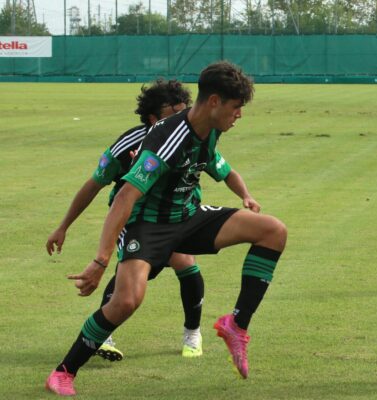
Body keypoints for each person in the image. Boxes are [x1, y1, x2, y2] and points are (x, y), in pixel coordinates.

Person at [45, 61, 288, 396]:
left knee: (273, 231)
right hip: (147, 227)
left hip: (188, 217)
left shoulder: (211, 130)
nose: (239, 115)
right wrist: (100, 260)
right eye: (236, 107)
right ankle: (64, 372)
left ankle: (236, 326)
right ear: (214, 102)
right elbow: (124, 197)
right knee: (126, 302)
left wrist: (246, 196)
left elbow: (222, 169)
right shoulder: (167, 140)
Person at [46, 79, 206, 361]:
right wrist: (63, 226)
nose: (184, 118)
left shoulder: (192, 133)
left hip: (178, 213)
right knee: (130, 274)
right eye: (175, 113)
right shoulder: (128, 144)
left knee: (184, 262)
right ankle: (103, 334)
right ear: (154, 118)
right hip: (136, 218)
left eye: (186, 110)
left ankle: (192, 332)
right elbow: (94, 184)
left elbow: (215, 166)